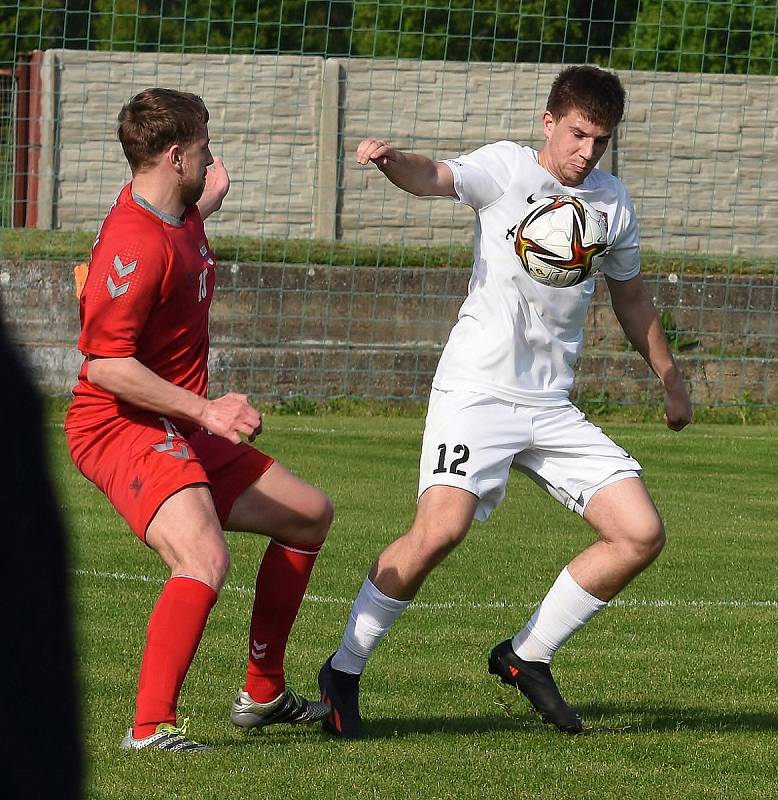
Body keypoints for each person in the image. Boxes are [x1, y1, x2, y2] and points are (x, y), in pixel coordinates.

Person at [318, 65, 692, 737]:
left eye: (600, 142)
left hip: (549, 406)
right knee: (440, 530)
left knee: (640, 533)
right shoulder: (505, 169)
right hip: (477, 390)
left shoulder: (612, 203)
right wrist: (390, 161)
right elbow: (434, 176)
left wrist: (669, 376)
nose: (586, 153)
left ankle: (526, 654)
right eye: (577, 134)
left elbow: (631, 298)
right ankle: (342, 671)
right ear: (548, 122)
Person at [65, 88, 333, 752]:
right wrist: (208, 409)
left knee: (307, 514)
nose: (214, 159)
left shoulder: (177, 211)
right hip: (119, 425)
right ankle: (150, 728)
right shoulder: (136, 242)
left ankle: (263, 692)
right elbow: (106, 367)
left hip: (175, 424)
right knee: (203, 557)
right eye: (206, 148)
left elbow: (186, 219)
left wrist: (211, 196)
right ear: (177, 156)